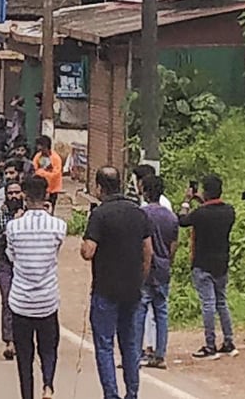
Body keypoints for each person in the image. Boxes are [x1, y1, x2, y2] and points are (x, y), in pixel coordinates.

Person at [81, 166, 152, 399]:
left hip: (105, 289)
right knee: (130, 344)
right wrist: (140, 277)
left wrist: (84, 244)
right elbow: (148, 250)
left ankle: (111, 394)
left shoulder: (100, 214)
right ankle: (132, 392)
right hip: (132, 288)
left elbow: (88, 251)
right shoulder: (138, 212)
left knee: (104, 345)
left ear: (99, 187)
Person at [7, 175, 67, 399]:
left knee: (24, 356)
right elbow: (55, 254)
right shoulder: (58, 226)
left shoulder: (13, 227)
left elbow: (11, 257)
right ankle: (48, 385)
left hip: (21, 301)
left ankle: (27, 395)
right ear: (46, 196)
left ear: (24, 196)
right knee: (49, 348)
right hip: (47, 299)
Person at [178, 174, 237, 359]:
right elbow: (213, 207)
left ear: (205, 191)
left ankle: (210, 345)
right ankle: (228, 341)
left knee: (208, 304)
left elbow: (182, 220)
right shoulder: (229, 211)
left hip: (203, 262)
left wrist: (187, 201)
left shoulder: (200, 214)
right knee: (221, 302)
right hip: (222, 262)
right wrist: (202, 201)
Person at [134, 175, 179, 370]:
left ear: (145, 191)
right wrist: (168, 262)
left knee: (140, 311)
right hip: (163, 267)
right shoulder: (171, 216)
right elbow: (174, 245)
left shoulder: (141, 214)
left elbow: (140, 244)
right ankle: (160, 354)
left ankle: (136, 353)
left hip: (145, 268)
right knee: (161, 311)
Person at [0, 180, 24, 358]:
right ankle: (9, 341)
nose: (14, 196)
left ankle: (24, 340)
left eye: (17, 192)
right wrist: (6, 234)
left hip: (25, 263)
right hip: (4, 263)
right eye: (10, 193)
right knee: (8, 299)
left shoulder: (29, 215)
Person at [33, 136, 62, 205]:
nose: (39, 148)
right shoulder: (37, 156)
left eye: (41, 146)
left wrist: (42, 173)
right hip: (40, 187)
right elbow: (34, 169)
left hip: (53, 188)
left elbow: (56, 173)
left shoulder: (56, 158)